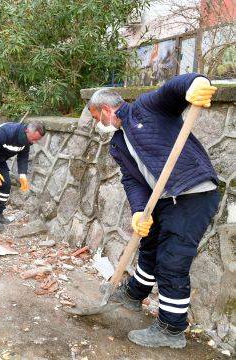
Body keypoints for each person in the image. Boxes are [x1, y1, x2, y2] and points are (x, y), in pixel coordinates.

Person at [87, 73, 219, 349]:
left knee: (172, 260)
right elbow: (132, 180)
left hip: (193, 193)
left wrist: (195, 83)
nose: (96, 123)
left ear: (106, 110)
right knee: (148, 245)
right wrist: (138, 211)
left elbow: (172, 90)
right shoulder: (118, 143)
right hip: (162, 198)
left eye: (95, 117)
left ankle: (171, 329)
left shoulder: (146, 107)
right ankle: (134, 295)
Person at [0, 121, 45, 233]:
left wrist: (22, 175)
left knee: (6, 185)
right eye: (33, 139)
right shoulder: (7, 132)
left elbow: (23, 157)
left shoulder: (26, 141)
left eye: (37, 140)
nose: (34, 142)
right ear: (27, 131)